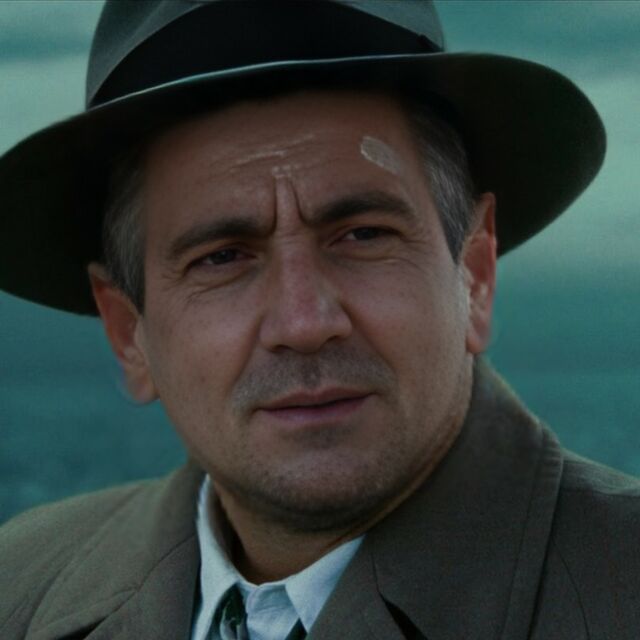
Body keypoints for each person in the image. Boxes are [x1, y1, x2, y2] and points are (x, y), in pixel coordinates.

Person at [0, 1, 638, 639]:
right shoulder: (17, 582)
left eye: (363, 235)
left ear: (474, 275)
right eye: (222, 258)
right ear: (127, 332)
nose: (304, 323)